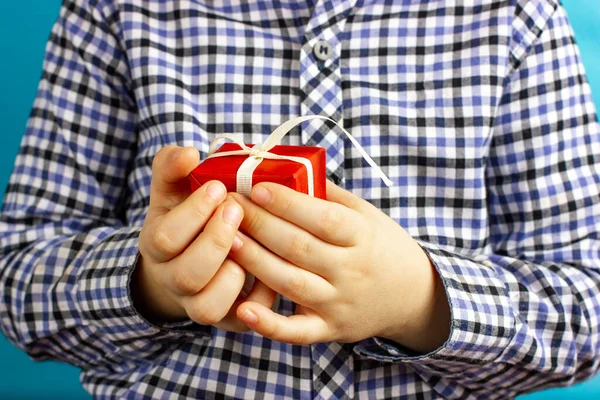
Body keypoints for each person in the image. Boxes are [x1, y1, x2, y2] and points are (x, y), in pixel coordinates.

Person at [1, 0, 599, 398]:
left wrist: (420, 302)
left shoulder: (519, 19)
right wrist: (150, 286)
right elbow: (17, 276)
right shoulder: (116, 11)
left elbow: (587, 311)